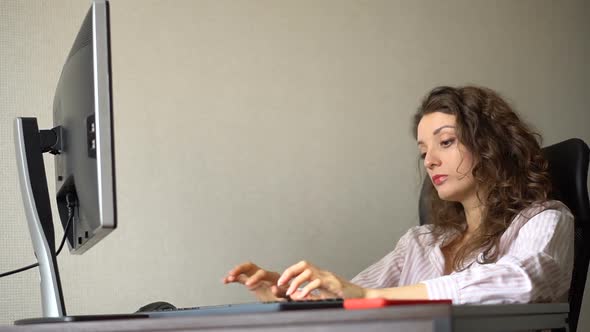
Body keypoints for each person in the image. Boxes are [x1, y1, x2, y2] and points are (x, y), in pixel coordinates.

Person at [222, 85, 574, 304]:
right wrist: (283, 296)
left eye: (446, 142)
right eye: (423, 152)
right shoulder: (420, 243)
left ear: (491, 145)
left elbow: (521, 282)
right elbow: (346, 295)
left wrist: (372, 297)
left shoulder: (544, 220)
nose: (431, 160)